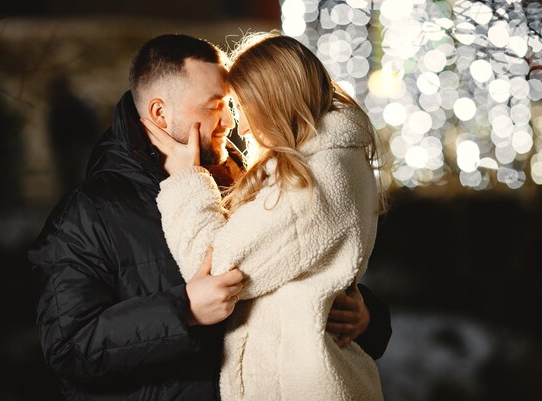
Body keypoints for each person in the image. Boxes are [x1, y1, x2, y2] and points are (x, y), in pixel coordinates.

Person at [29, 34, 391, 401]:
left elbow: (304, 269)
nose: (229, 121)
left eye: (231, 105)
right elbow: (69, 347)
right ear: (159, 113)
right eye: (214, 105)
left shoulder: (245, 176)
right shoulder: (89, 213)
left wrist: (367, 317)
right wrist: (181, 311)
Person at [144, 33, 386, 401]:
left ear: (273, 104)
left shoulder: (314, 184)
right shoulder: (324, 165)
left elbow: (211, 269)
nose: (240, 127)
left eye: (243, 110)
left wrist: (185, 181)